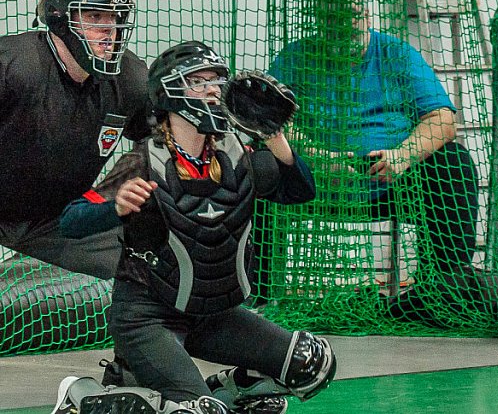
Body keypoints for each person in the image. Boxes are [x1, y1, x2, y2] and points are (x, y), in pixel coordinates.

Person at [53, 41, 335, 414]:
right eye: (199, 82)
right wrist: (116, 206)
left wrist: (274, 136)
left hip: (212, 315)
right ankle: (83, 397)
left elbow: (301, 191)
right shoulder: (144, 161)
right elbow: (71, 222)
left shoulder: (235, 154)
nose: (213, 90)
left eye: (216, 81)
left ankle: (226, 393)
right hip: (147, 318)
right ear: (170, 93)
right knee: (198, 412)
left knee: (311, 363)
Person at [268, 0, 483, 324]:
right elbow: (269, 120)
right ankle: (258, 295)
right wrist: (316, 158)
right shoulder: (294, 58)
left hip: (390, 181)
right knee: (259, 167)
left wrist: (402, 156)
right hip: (314, 182)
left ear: (366, 14)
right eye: (331, 19)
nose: (342, 26)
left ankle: (444, 291)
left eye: (351, 16)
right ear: (318, 21)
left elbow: (442, 119)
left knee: (454, 162)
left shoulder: (397, 54)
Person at [0, 0, 150, 280]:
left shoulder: (130, 79)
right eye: (95, 16)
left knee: (150, 261)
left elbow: (160, 142)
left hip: (58, 223)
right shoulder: (12, 66)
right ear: (59, 19)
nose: (109, 29)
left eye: (114, 17)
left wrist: (110, 194)